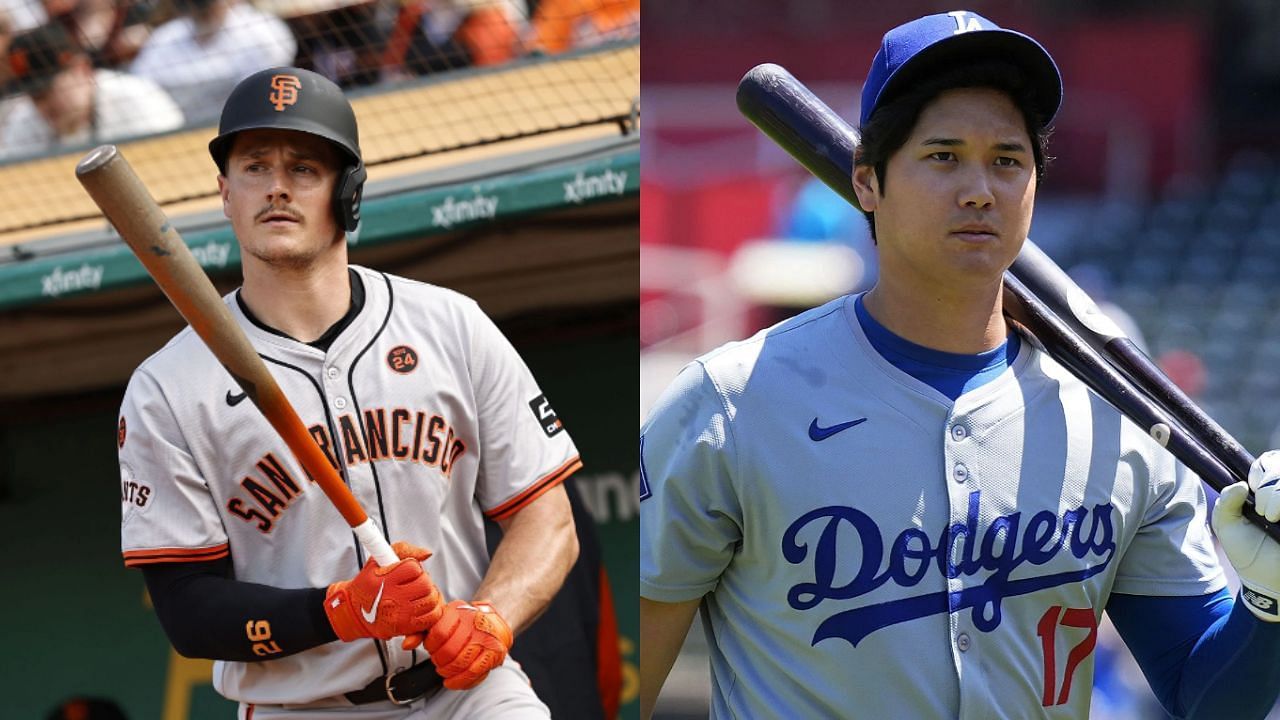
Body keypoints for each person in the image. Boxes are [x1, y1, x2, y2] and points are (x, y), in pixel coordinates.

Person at [640, 11, 1280, 719]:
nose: (980, 189)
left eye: (1008, 160)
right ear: (866, 181)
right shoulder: (729, 405)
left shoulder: (1118, 422)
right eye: (943, 156)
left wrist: (1269, 603)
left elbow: (1208, 699)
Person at [117, 66, 581, 717]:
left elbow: (547, 519)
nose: (276, 186)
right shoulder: (168, 388)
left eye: (304, 168)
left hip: (466, 694)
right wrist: (337, 609)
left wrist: (490, 619)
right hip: (303, 705)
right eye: (254, 166)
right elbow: (188, 610)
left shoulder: (451, 325)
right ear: (225, 191)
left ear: (349, 193)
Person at [0, 22, 182, 158]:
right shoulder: (24, 120)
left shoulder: (136, 97)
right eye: (35, 97)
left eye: (47, 92)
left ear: (82, 69)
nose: (43, 107)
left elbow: (175, 158)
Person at [129, 0, 296, 124]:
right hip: (176, 136)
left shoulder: (261, 30)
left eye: (205, 3)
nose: (200, 9)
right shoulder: (164, 37)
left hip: (245, 129)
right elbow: (141, 91)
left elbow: (260, 97)